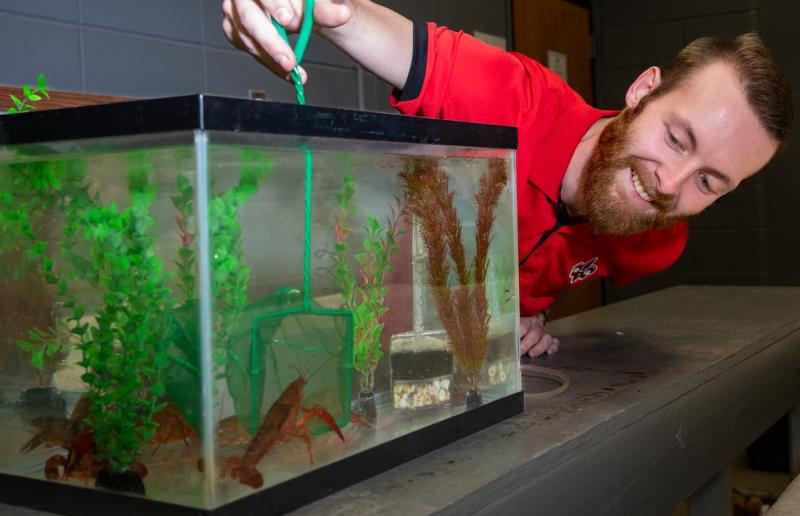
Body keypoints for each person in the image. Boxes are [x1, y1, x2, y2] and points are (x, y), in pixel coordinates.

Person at [222, 0, 793, 358]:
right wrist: (311, 10)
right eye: (675, 139)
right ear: (643, 91)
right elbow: (404, 47)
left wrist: (525, 312)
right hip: (344, 330)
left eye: (710, 183)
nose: (671, 185)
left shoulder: (656, 241)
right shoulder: (519, 98)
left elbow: (556, 260)